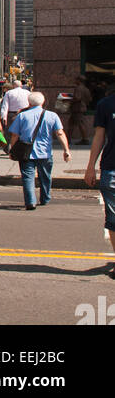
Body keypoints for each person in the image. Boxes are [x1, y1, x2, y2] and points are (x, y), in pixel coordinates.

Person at [9, 90, 71, 210]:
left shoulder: (22, 116)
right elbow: (60, 133)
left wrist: (12, 150)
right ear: (43, 102)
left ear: (29, 103)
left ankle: (30, 202)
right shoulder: (52, 116)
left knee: (28, 177)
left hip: (26, 153)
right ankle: (45, 198)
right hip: (45, 152)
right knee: (45, 177)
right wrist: (66, 150)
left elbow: (14, 135)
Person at [84, 82, 115, 278]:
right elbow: (99, 136)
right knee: (113, 219)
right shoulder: (106, 104)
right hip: (111, 169)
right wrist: (90, 167)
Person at [66, 75, 93, 145]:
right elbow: (90, 99)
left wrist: (70, 101)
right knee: (71, 123)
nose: (75, 81)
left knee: (80, 124)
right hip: (81, 108)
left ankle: (85, 139)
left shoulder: (78, 88)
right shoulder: (86, 89)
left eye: (76, 80)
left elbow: (77, 98)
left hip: (78, 109)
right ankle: (68, 139)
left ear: (79, 80)